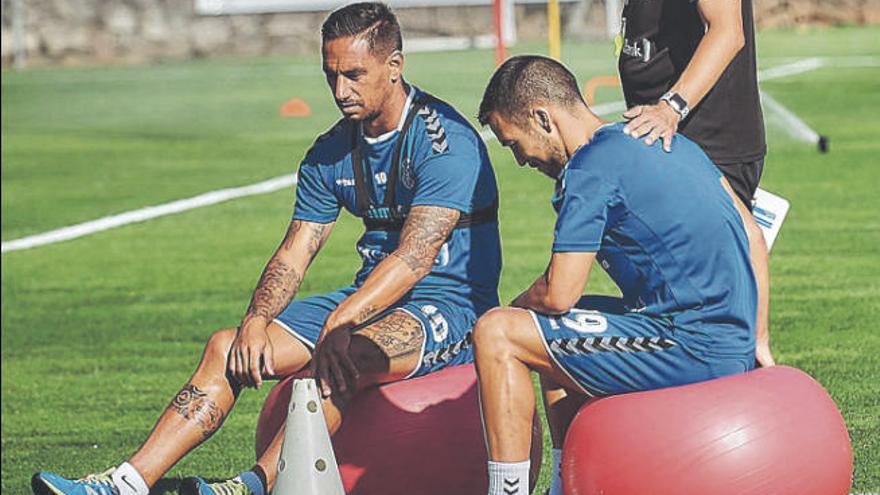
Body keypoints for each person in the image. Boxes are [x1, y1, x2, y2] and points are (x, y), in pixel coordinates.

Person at [31, 4, 501, 495]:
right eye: (331, 75)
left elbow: (414, 259)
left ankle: (251, 485)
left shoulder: (445, 143)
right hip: (368, 300)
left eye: (355, 75)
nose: (341, 91)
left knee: (349, 354)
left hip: (450, 306)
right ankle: (125, 484)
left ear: (395, 66)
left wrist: (341, 322)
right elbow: (295, 252)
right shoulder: (331, 151)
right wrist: (255, 321)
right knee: (225, 346)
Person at [474, 56, 765, 495]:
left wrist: (509, 310)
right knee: (550, 329)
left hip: (692, 348)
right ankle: (564, 486)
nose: (519, 160)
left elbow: (558, 294)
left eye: (513, 144)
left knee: (498, 332)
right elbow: (751, 232)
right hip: (728, 342)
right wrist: (756, 339)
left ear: (542, 118)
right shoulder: (667, 138)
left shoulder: (591, 167)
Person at [616, 0, 775, 371]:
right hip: (665, 140)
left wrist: (670, 107)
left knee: (718, 294)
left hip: (707, 138)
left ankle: (753, 363)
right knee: (676, 296)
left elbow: (728, 32)